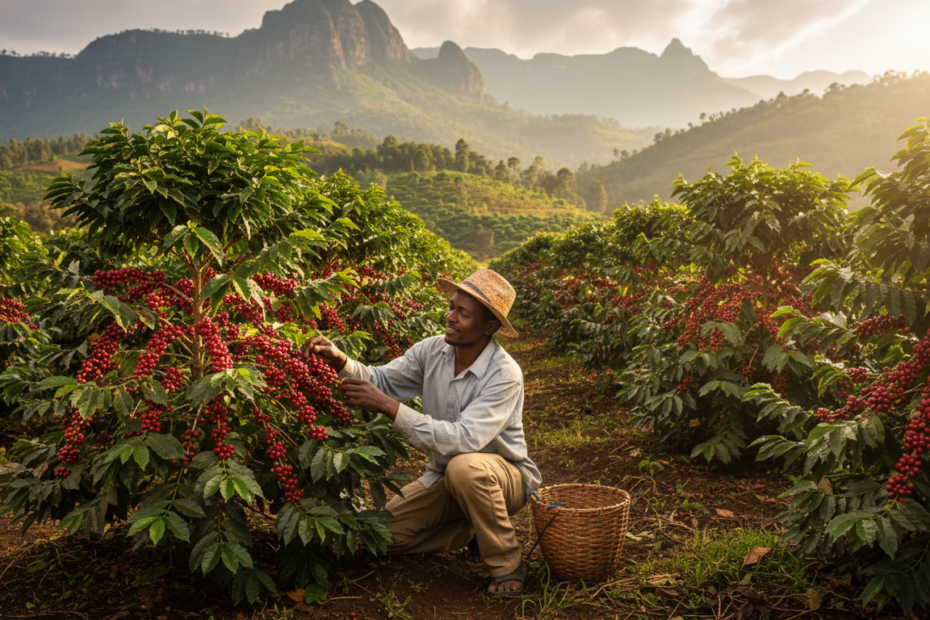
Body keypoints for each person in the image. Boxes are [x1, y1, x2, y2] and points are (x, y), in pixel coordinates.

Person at [301, 268, 541, 597]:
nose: (450, 316)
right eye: (452, 307)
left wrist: (390, 407)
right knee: (374, 536)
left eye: (463, 313)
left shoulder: (504, 374)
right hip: (446, 477)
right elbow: (382, 381)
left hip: (504, 478)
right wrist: (340, 360)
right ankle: (470, 531)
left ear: (489, 327)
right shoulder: (433, 351)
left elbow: (464, 440)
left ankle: (505, 561)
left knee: (465, 467)